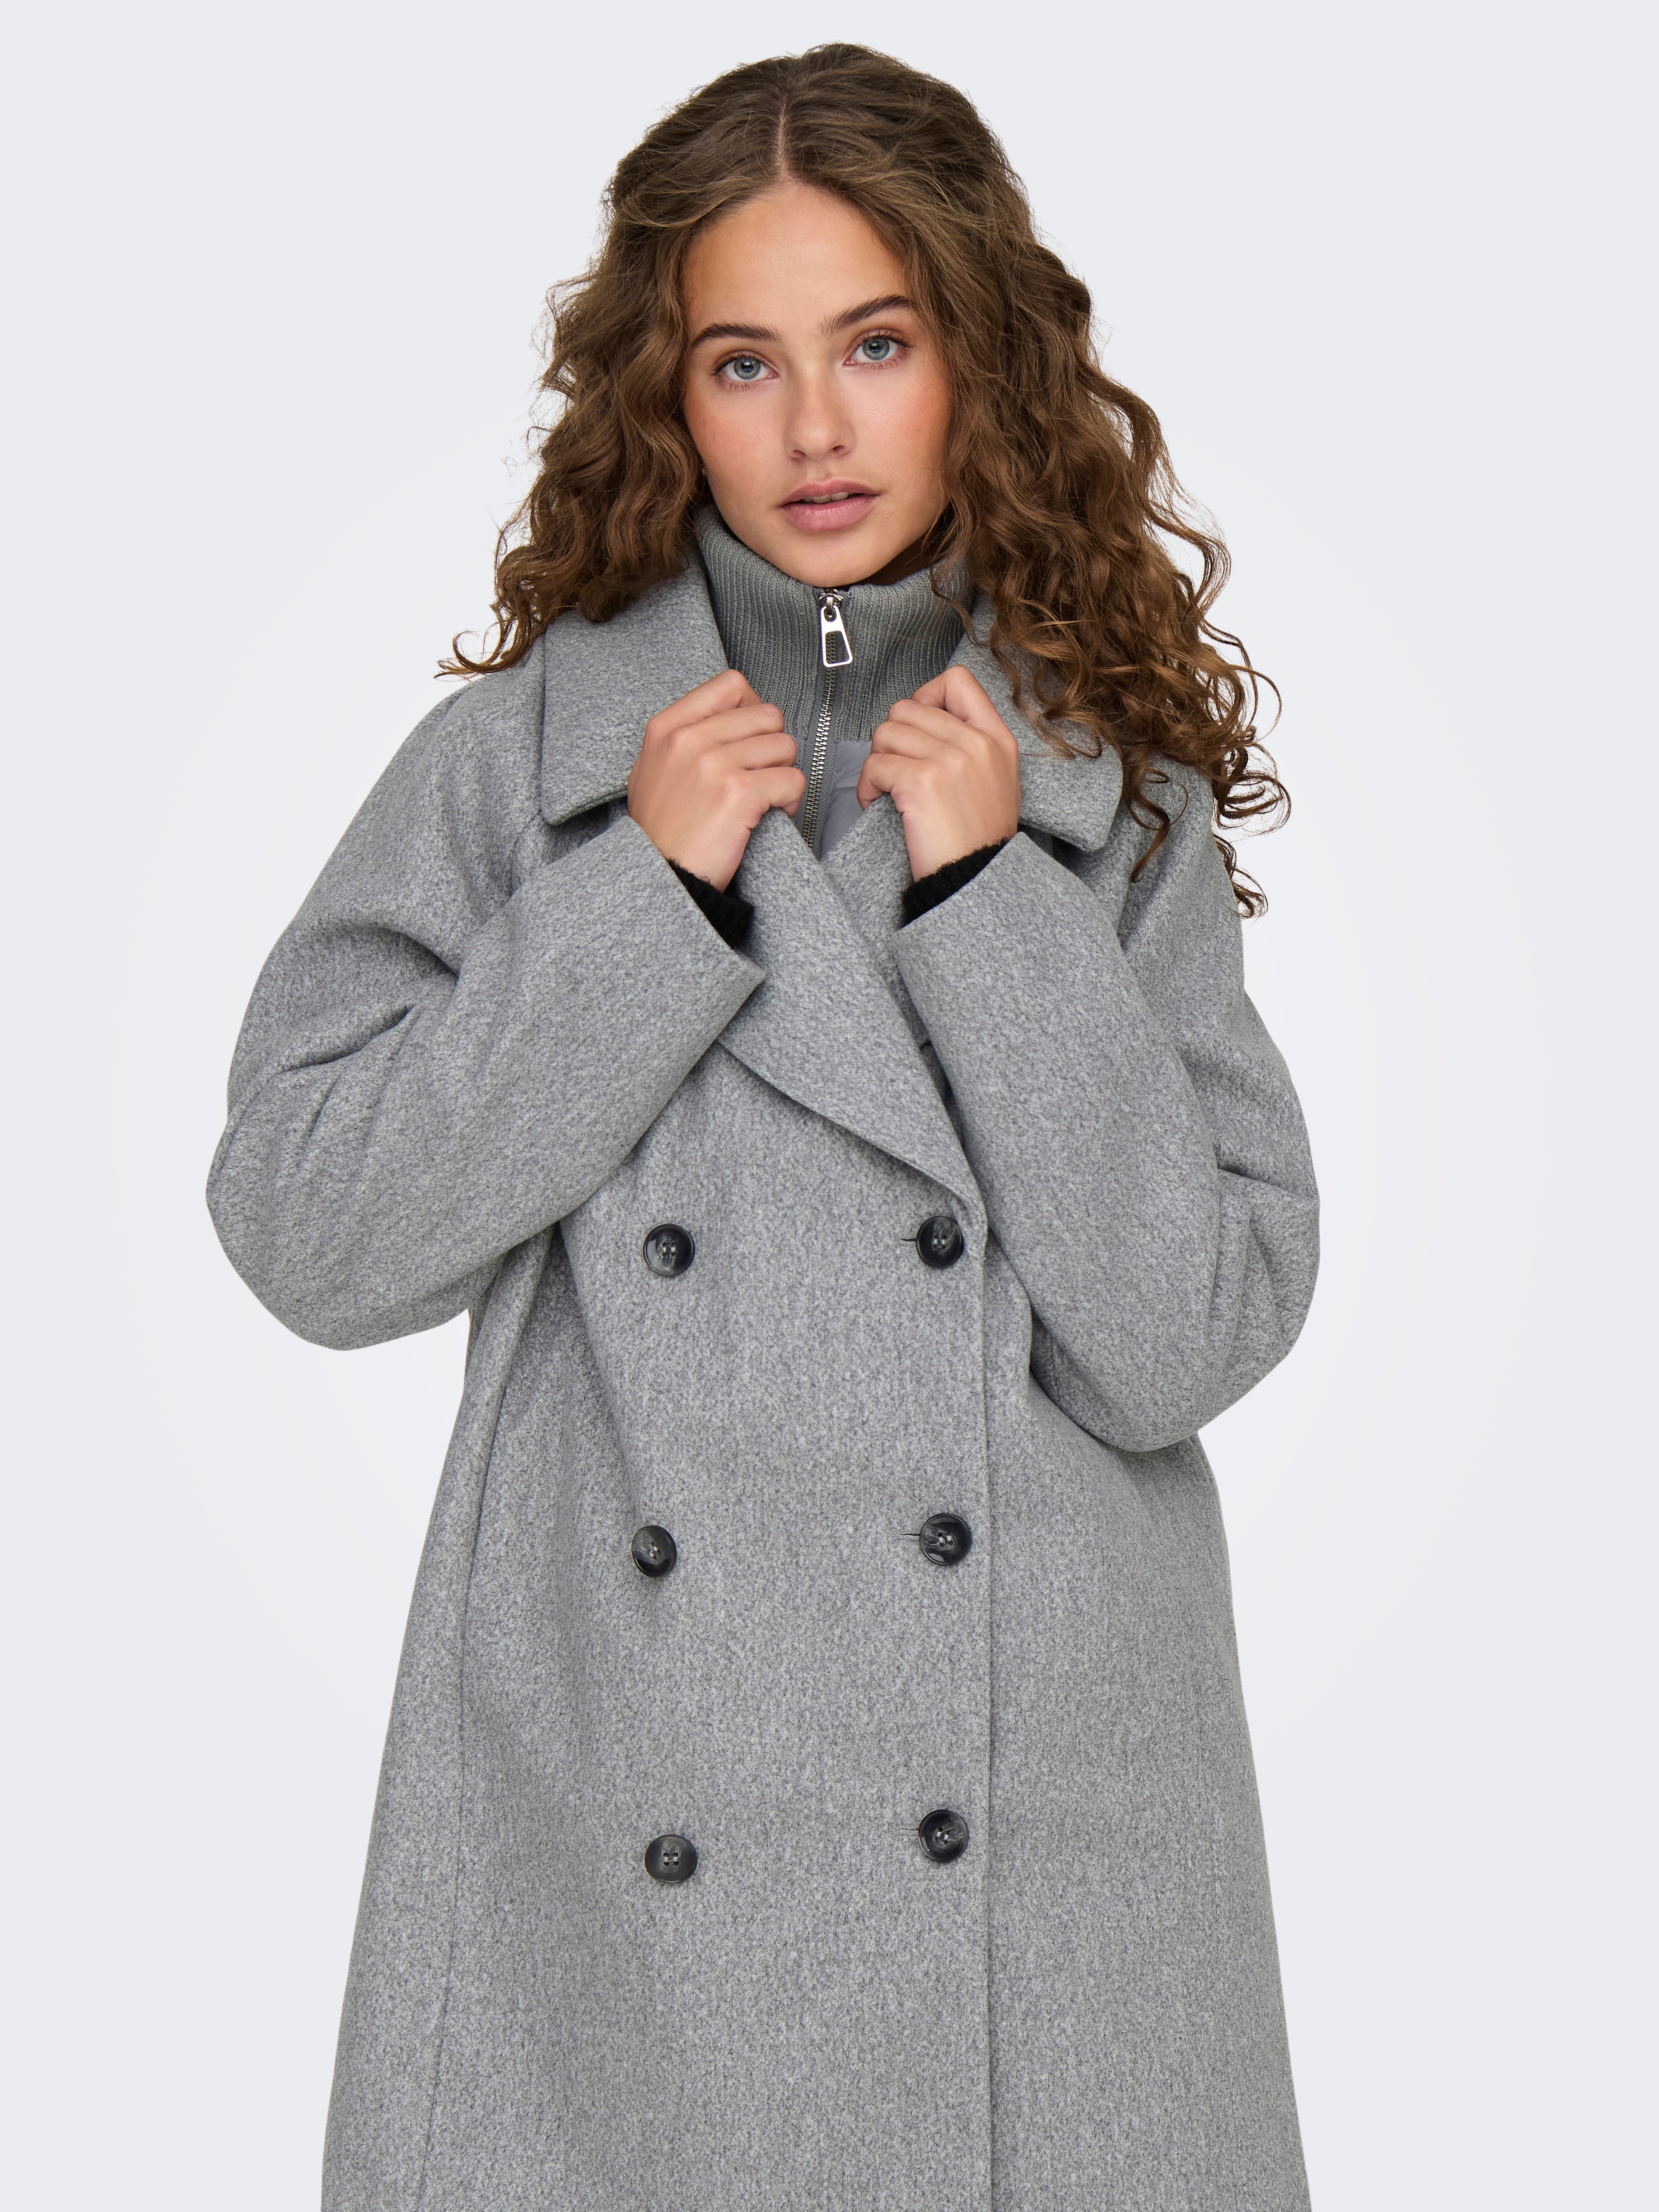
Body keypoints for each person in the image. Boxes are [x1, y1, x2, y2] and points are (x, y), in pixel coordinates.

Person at [207, 42, 1320, 2212]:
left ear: (979, 362)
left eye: (876, 345)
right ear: (668, 395)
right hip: (612, 1853)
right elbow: (309, 1233)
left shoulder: (1104, 792)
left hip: (1041, 1871)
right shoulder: (526, 772)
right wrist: (643, 898)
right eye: (745, 362)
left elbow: (1188, 1334)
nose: (816, 429)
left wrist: (991, 902)